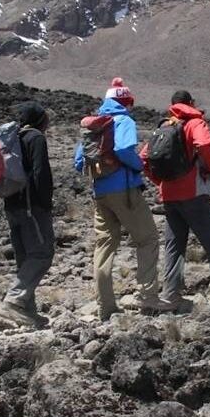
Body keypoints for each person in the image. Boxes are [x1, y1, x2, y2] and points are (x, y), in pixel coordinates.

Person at [144, 91, 210, 307]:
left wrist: (160, 182)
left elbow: (145, 157)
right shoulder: (194, 123)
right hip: (194, 194)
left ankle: (171, 294)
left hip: (169, 197)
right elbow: (205, 145)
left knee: (174, 245)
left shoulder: (164, 126)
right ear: (191, 103)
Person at [75, 89, 163, 321]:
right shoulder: (123, 120)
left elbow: (78, 162)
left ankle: (105, 305)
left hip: (99, 192)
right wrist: (138, 166)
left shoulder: (92, 126)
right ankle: (148, 296)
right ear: (126, 103)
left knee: (104, 245)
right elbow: (124, 149)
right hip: (123, 190)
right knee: (147, 239)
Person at [0, 102, 57, 327]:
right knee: (42, 253)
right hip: (32, 207)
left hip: (12, 205)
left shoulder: (13, 139)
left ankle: (27, 311)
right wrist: (46, 204)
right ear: (40, 119)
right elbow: (41, 173)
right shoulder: (35, 138)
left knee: (25, 258)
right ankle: (12, 301)